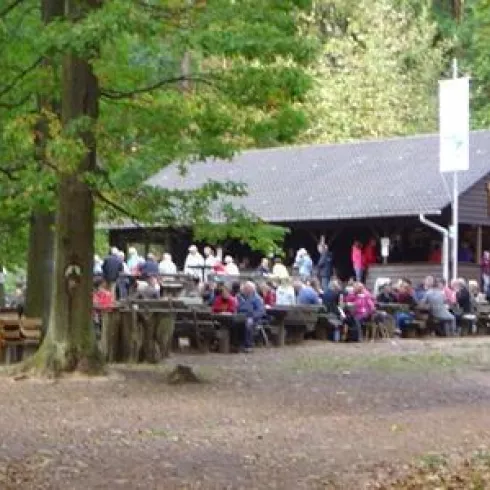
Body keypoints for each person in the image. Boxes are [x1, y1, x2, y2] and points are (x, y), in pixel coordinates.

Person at [237, 282, 265, 352]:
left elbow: (260, 311)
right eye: (245, 288)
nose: (245, 290)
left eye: (247, 289)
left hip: (253, 318)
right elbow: (237, 307)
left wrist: (252, 317)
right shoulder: (240, 297)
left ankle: (248, 345)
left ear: (252, 290)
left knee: (249, 323)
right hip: (240, 316)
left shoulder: (257, 299)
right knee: (233, 323)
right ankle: (236, 344)